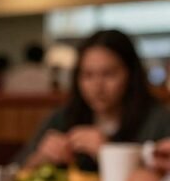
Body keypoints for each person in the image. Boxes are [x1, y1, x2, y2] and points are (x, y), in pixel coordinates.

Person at [15, 30, 170, 172]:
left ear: (131, 75)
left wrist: (109, 153)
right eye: (88, 75)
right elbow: (15, 170)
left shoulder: (158, 120)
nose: (97, 87)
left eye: (109, 74)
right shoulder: (62, 118)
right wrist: (40, 159)